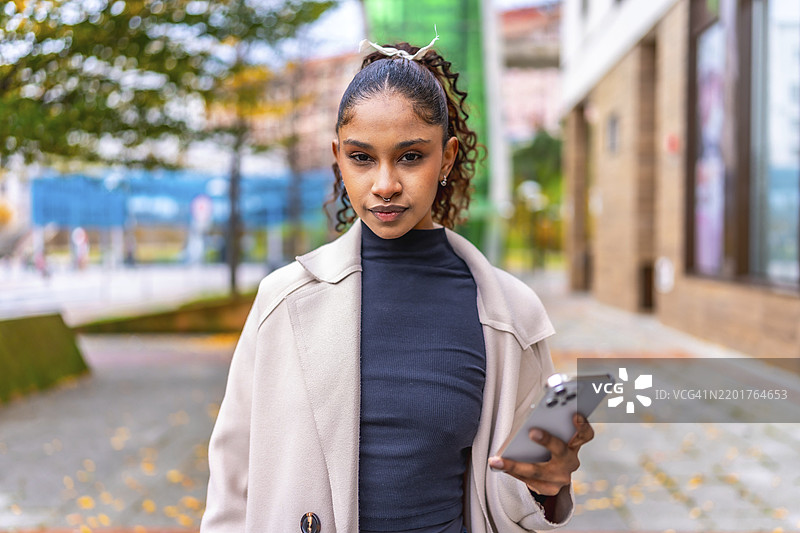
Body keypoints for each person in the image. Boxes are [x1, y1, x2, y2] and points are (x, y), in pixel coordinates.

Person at [200, 35, 594, 533]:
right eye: (362, 158)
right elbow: (231, 486)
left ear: (447, 159)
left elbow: (524, 495)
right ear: (339, 158)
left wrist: (551, 488)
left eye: (410, 156)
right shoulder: (283, 301)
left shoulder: (512, 315)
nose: (385, 184)